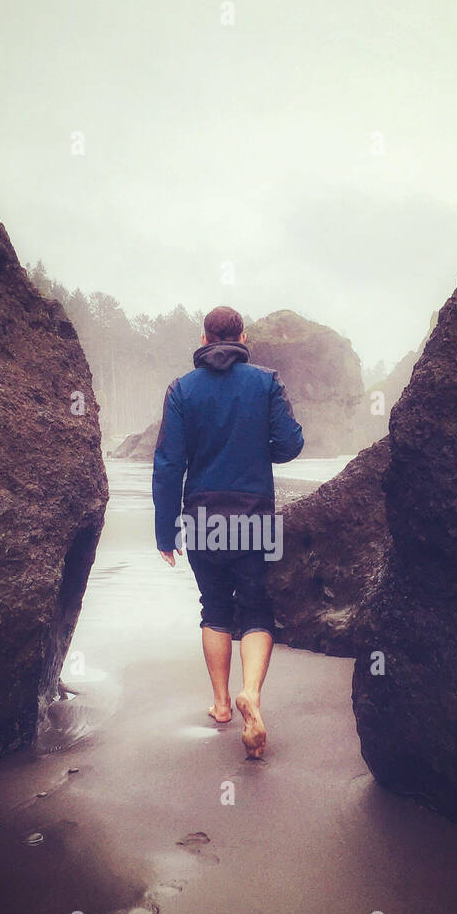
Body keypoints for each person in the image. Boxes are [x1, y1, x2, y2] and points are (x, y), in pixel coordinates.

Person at [152, 305, 303, 758]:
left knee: (214, 608)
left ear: (204, 339)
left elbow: (167, 465)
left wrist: (165, 532)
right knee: (256, 608)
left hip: (201, 516)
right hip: (255, 512)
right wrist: (258, 449)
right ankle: (251, 695)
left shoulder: (182, 389)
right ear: (241, 336)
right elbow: (291, 443)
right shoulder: (265, 381)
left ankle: (221, 705)